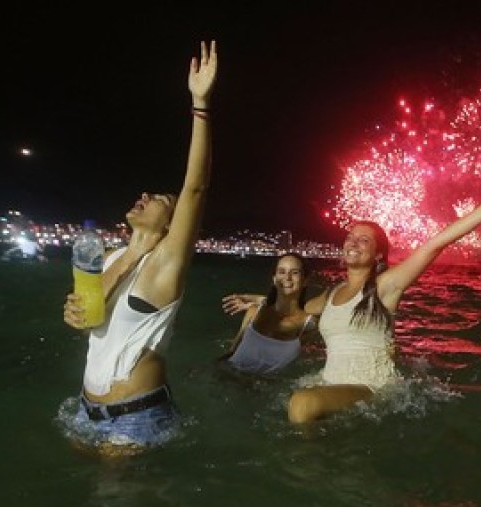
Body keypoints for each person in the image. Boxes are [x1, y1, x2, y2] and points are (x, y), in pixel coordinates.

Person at [61, 40, 217, 456]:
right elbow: (88, 320)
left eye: (160, 201)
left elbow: (196, 188)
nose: (146, 195)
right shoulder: (110, 256)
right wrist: (73, 311)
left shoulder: (166, 263)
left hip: (137, 418)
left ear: (171, 225)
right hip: (85, 412)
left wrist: (199, 103)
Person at [287, 178, 481, 424]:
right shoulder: (331, 294)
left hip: (370, 386)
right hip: (330, 384)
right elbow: (294, 313)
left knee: (302, 403)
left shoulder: (384, 286)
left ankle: (308, 460)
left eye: (364, 240)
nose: (353, 242)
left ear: (378, 254)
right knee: (298, 398)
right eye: (351, 236)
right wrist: (255, 303)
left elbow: (434, 245)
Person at [219, 252, 325, 375]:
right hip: (229, 376)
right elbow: (232, 351)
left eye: (295, 272)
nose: (287, 277)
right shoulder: (254, 311)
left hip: (263, 389)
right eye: (281, 272)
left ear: (305, 280)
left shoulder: (308, 326)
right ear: (274, 279)